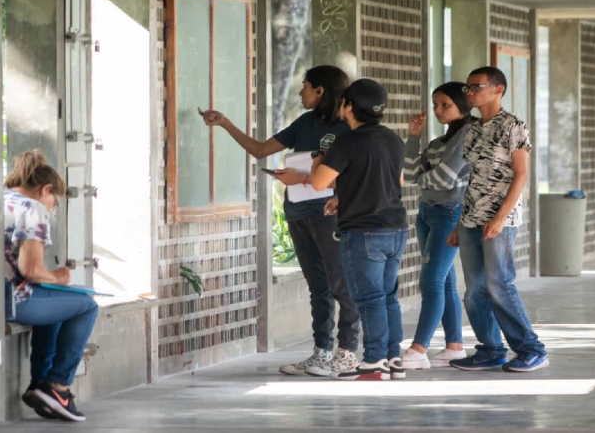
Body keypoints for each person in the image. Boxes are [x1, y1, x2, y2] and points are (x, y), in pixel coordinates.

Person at [199, 65, 360, 377]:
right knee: (318, 285)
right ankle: (321, 352)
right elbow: (260, 150)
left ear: (321, 91)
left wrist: (305, 178)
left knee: (341, 284)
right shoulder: (305, 122)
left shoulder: (348, 129)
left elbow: (355, 180)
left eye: (305, 86)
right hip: (298, 212)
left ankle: (347, 352)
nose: (301, 92)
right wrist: (225, 124)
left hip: (330, 213)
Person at [447, 66, 549, 372]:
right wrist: (460, 222)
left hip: (499, 220)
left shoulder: (513, 125)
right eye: (467, 88)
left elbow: (522, 175)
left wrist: (500, 218)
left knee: (499, 285)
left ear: (498, 89)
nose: (470, 93)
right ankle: (490, 349)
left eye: (476, 86)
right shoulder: (472, 129)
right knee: (474, 290)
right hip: (470, 218)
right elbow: (473, 179)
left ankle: (531, 349)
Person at [309, 78, 408, 381]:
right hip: (396, 229)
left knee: (369, 299)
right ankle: (393, 359)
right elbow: (395, 183)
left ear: (349, 106)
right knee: (388, 296)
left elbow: (317, 182)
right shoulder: (393, 139)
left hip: (362, 232)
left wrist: (319, 155)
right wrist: (344, 196)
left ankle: (373, 361)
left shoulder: (346, 142)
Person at [4, 150, 99, 422]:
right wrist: (58, 276)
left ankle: (40, 386)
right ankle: (58, 385)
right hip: (12, 301)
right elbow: (31, 270)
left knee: (59, 303)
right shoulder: (32, 209)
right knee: (85, 306)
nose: (51, 208)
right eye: (53, 202)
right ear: (45, 189)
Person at [399, 82, 474, 370]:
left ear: (462, 106)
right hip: (427, 212)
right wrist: (413, 138)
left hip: (450, 213)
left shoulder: (468, 133)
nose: (438, 110)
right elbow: (409, 173)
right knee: (443, 281)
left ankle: (419, 348)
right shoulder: (439, 142)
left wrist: (424, 178)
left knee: (430, 281)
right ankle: (454, 345)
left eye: (445, 105)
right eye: (435, 105)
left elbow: (441, 180)